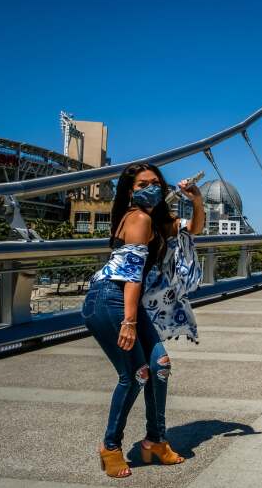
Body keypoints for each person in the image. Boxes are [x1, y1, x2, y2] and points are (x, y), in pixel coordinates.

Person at [82, 163, 202, 478]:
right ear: (130, 191)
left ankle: (156, 441)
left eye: (155, 182)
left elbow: (194, 229)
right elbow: (131, 274)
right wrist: (129, 321)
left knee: (159, 365)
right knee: (135, 374)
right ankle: (110, 446)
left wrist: (197, 201)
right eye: (141, 184)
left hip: (122, 300)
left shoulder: (156, 220)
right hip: (109, 300)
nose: (149, 187)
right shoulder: (138, 218)